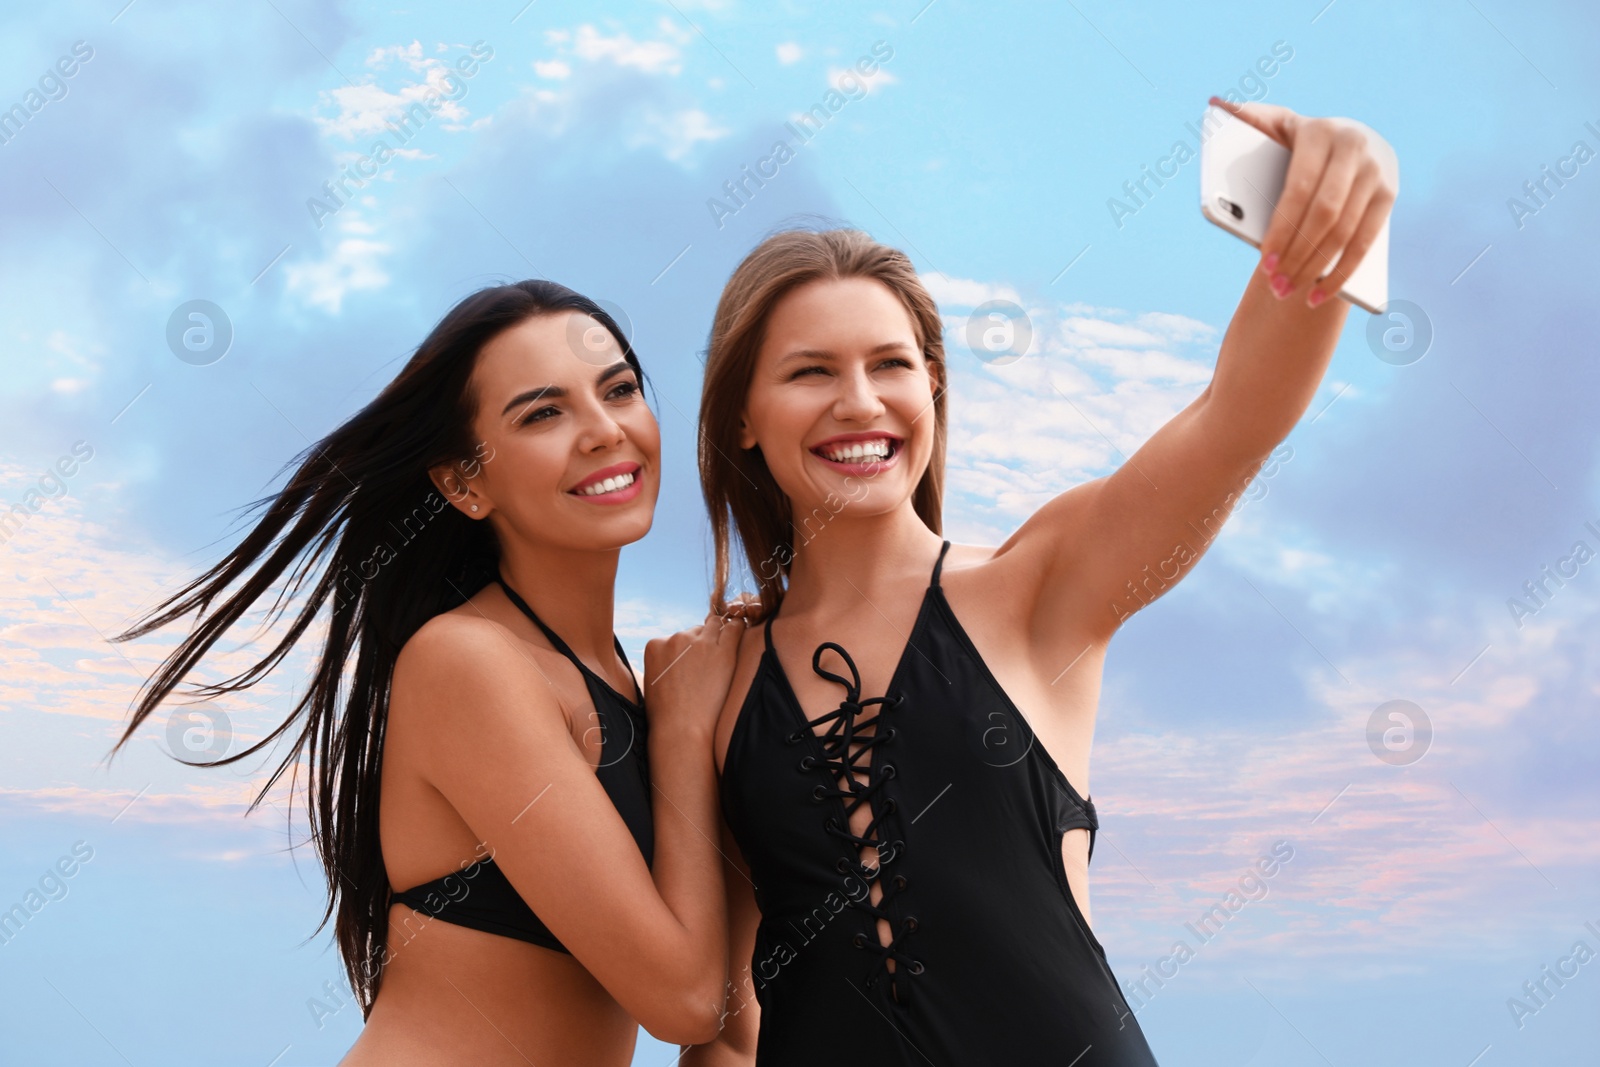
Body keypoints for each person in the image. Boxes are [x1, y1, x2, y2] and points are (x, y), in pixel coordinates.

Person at [685, 99, 1397, 1065]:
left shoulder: (1034, 588)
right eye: (811, 371)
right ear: (741, 418)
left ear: (931, 388)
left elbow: (1235, 422)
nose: (860, 401)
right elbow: (722, 1026)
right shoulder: (710, 682)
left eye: (892, 363)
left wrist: (1333, 203)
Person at [112, 280, 748, 1065]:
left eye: (619, 389)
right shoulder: (468, 662)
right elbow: (684, 1001)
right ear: (463, 482)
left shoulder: (610, 672)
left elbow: (723, 994)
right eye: (544, 412)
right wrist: (685, 728)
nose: (603, 429)